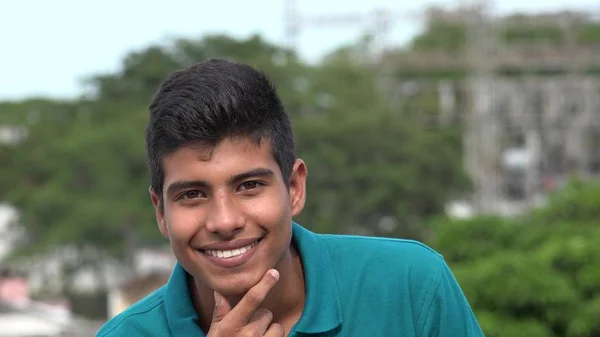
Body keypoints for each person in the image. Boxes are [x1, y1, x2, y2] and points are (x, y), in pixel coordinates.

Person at [95, 59, 485, 337]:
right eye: (193, 194)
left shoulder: (409, 287)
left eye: (249, 186)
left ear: (294, 187)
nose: (225, 221)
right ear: (161, 213)